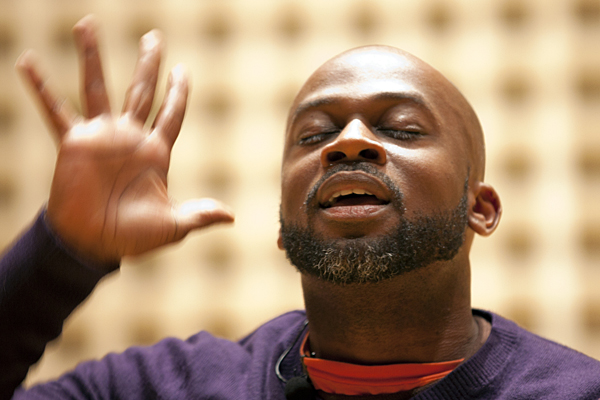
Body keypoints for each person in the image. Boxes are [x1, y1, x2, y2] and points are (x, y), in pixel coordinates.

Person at [1, 14, 599, 400]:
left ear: (482, 210)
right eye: (315, 135)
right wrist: (61, 253)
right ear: (286, 227)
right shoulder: (165, 388)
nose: (349, 142)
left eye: (404, 128)